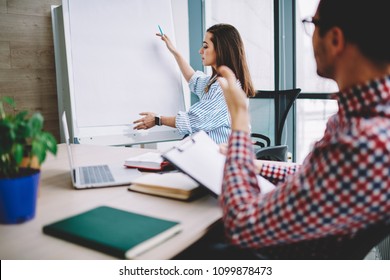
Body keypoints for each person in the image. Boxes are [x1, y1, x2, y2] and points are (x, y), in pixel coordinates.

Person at [216, 0, 390, 259]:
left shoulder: (361, 141)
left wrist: (239, 118)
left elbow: (242, 223)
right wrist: (258, 166)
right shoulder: (363, 116)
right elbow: (318, 176)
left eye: (313, 24)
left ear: (335, 39)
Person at [133, 24, 255, 144]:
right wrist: (175, 52)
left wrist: (158, 119)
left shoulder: (225, 89)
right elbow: (194, 79)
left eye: (205, 47)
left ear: (221, 50)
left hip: (219, 160)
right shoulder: (215, 82)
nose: (200, 51)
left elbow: (194, 120)